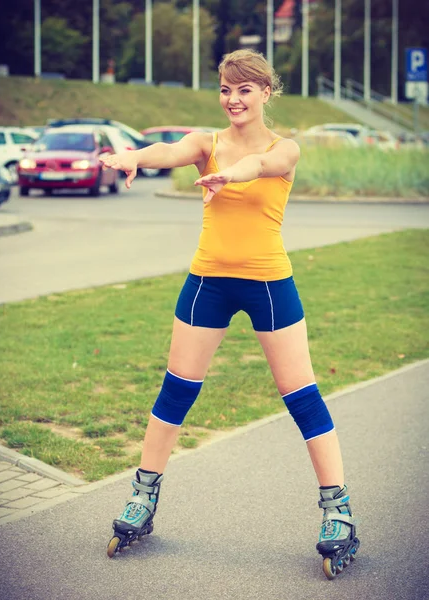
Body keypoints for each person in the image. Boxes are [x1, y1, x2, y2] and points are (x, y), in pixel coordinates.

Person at [101, 49, 359, 578]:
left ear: (267, 91)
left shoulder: (284, 149)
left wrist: (232, 176)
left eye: (244, 89)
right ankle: (142, 498)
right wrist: (134, 159)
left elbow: (259, 165)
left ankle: (338, 511)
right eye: (225, 89)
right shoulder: (205, 144)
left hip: (269, 284)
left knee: (302, 396)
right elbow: (168, 149)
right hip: (208, 283)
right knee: (176, 390)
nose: (233, 99)